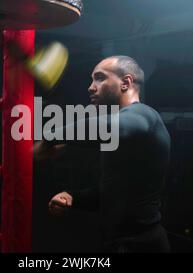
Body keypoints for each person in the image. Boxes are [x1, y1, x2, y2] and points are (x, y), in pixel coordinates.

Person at [34, 56, 171, 253]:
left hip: (143, 245)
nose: (91, 87)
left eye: (99, 78)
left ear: (126, 83)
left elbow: (111, 127)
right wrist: (73, 197)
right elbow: (113, 194)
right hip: (118, 244)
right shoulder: (123, 135)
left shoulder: (144, 115)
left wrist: (50, 138)